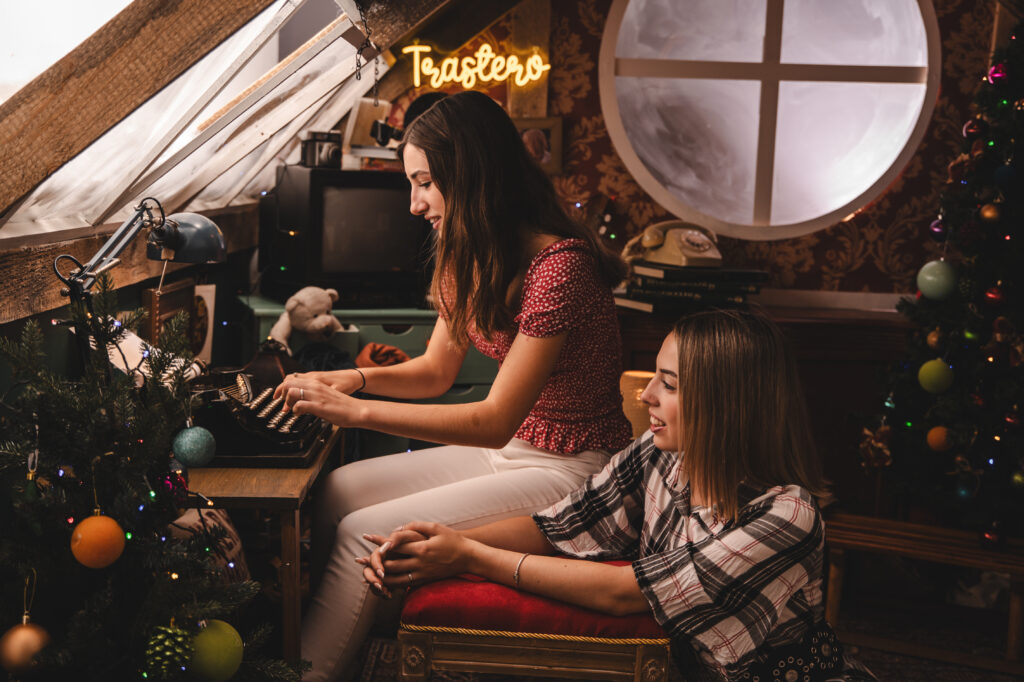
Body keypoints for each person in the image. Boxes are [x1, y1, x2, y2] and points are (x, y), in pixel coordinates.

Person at [272, 90, 632, 680]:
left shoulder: (559, 267)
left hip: (576, 471)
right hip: (513, 455)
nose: (413, 204)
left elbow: (492, 420)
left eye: (424, 183)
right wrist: (356, 378)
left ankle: (306, 671)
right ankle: (359, 641)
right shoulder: (473, 252)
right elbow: (436, 371)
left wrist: (353, 412)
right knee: (337, 490)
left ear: (471, 177)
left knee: (367, 534)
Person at [362, 308, 877, 682]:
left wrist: (470, 556)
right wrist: (438, 544)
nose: (645, 394)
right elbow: (558, 528)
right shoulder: (659, 455)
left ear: (727, 404)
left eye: (669, 384)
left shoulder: (787, 516)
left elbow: (628, 591)